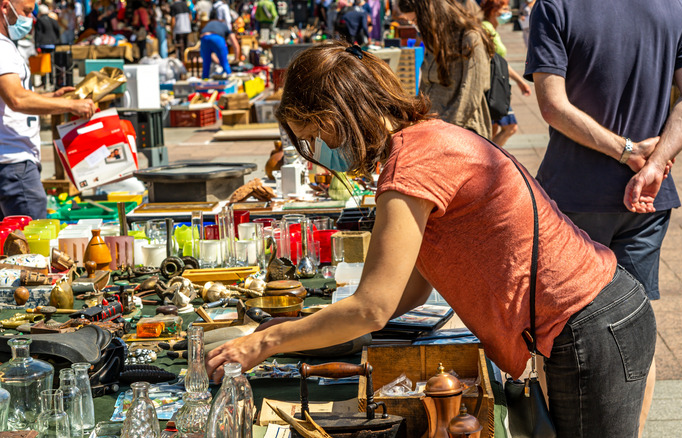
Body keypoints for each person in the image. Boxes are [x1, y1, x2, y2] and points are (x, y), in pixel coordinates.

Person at [205, 41, 657, 437]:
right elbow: (410, 291)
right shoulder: (424, 139)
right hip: (597, 315)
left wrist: (268, 341)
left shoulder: (409, 167)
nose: (321, 158)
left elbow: (373, 307)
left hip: (590, 323)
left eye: (312, 138)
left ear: (333, 119)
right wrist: (302, 332)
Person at [525, 0, 682, 434]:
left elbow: (552, 106)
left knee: (554, 325)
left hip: (571, 195)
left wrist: (627, 152)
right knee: (636, 326)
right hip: (645, 200)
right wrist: (654, 162)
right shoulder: (674, 5)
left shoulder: (555, 7)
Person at [0, 0, 95, 220]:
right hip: (14, 162)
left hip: (12, 161)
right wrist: (72, 105)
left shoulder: (6, 45)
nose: (30, 19)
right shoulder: (2, 48)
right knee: (33, 245)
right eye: (26, 11)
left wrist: (49, 98)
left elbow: (12, 97)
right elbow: (16, 99)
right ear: (5, 7)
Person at [398, 0, 492, 138]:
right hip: (435, 130)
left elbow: (470, 95)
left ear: (429, 14)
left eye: (416, 20)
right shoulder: (434, 41)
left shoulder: (469, 39)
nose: (415, 26)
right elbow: (426, 89)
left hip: (462, 132)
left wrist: (446, 131)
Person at [480, 0, 531, 146]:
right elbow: (495, 61)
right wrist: (520, 81)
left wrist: (519, 81)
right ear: (493, 11)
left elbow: (500, 62)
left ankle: (489, 161)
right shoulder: (486, 29)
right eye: (504, 8)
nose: (508, 11)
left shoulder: (492, 28)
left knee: (494, 130)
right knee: (507, 127)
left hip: (497, 84)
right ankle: (489, 160)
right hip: (492, 87)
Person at [199, 8, 239, 78]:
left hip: (204, 38)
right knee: (225, 63)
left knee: (206, 65)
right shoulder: (224, 26)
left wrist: (217, 61)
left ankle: (204, 86)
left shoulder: (209, 24)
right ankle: (230, 81)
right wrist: (236, 59)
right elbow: (235, 44)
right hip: (217, 38)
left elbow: (209, 52)